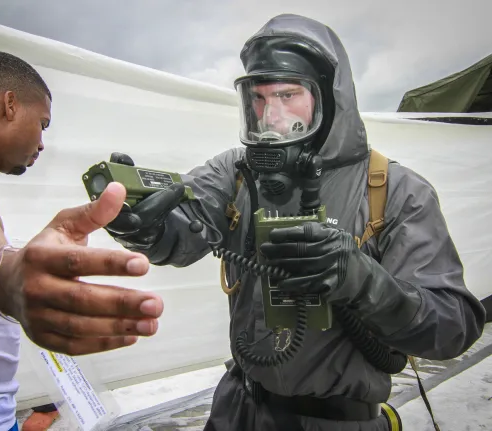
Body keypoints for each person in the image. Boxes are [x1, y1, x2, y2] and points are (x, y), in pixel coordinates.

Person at [103, 14, 487, 431]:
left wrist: (364, 282)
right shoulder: (236, 172)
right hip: (236, 410)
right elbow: (184, 227)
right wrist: (145, 227)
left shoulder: (395, 190)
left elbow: (453, 327)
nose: (271, 116)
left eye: (288, 95)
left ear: (327, 97)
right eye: (259, 97)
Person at [0, 51, 164, 431]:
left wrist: (20, 262)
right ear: (9, 104)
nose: (41, 142)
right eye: (42, 124)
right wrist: (8, 278)